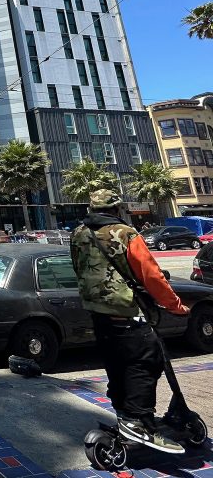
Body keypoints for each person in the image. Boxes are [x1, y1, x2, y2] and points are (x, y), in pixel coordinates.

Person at [70, 189, 189, 454]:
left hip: (97, 312)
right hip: (127, 312)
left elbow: (79, 268)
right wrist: (176, 306)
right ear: (117, 209)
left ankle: (124, 413)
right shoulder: (125, 233)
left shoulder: (78, 234)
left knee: (116, 363)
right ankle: (139, 420)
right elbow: (152, 275)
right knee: (146, 361)